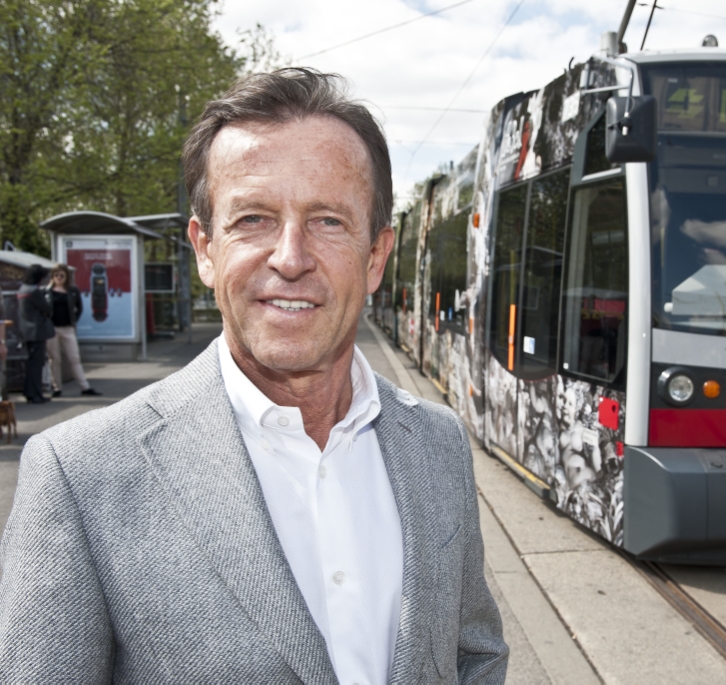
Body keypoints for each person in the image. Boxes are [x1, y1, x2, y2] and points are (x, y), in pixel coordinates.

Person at [0, 68, 508, 683]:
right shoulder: (79, 475)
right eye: (252, 219)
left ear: (375, 256)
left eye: (327, 220)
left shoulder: (439, 442)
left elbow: (476, 655)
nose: (290, 258)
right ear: (206, 250)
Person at [45, 264, 101, 398]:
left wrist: (73, 320)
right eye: (56, 275)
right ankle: (57, 387)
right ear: (52, 277)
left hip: (67, 328)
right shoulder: (47, 291)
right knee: (55, 359)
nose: (59, 278)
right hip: (52, 328)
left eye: (62, 275)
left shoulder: (72, 290)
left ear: (66, 277)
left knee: (74, 357)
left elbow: (79, 308)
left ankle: (85, 387)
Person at [16, 264, 55, 404]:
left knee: (32, 363)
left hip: (27, 330)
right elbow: (47, 308)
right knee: (36, 364)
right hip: (37, 330)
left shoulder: (23, 289)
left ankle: (30, 392)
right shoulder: (35, 291)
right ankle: (35, 394)